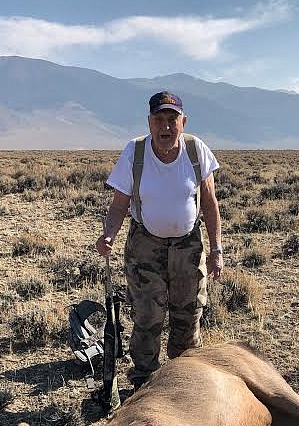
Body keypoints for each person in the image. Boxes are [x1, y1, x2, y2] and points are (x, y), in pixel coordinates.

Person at [95, 91, 223, 389]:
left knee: (187, 315)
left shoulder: (196, 150)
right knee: (147, 317)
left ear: (184, 121)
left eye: (172, 119)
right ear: (149, 122)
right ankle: (144, 384)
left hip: (188, 247)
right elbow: (118, 205)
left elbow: (210, 203)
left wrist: (216, 249)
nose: (165, 126)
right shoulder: (135, 153)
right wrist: (108, 234)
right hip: (145, 245)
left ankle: (184, 382)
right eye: (158, 120)